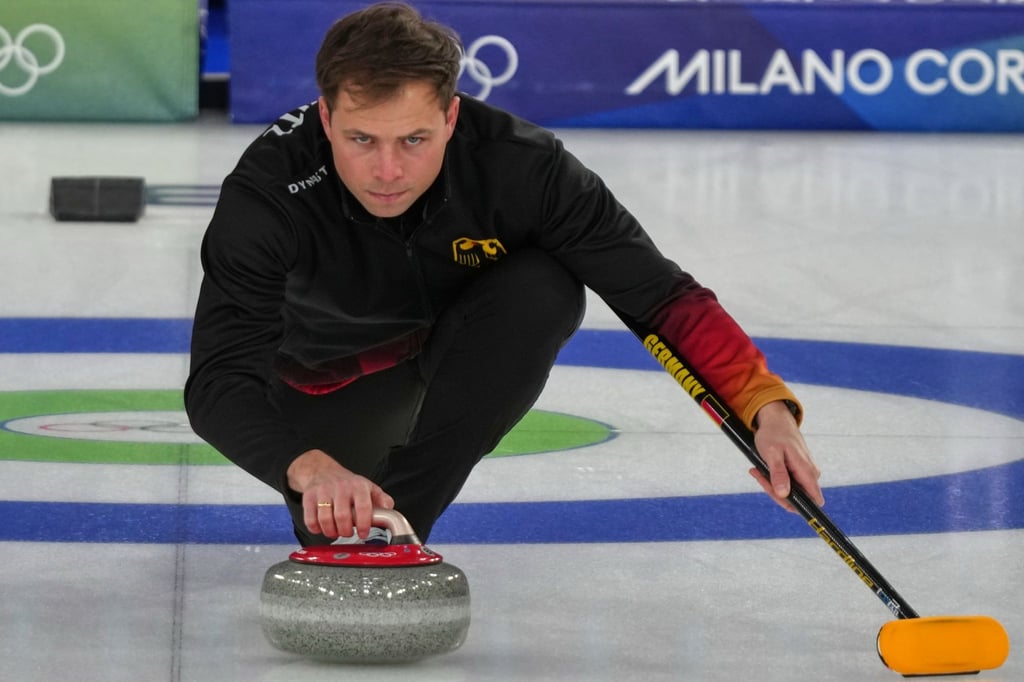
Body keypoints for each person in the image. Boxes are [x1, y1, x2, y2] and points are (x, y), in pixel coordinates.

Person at [185, 2, 823, 547]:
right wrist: (306, 465)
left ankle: (400, 527)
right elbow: (219, 380)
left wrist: (764, 407)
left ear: (451, 117)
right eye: (361, 140)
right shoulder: (269, 194)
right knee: (329, 521)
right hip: (328, 387)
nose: (388, 172)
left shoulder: (522, 167)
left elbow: (659, 297)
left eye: (414, 140)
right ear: (326, 120)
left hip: (463, 357)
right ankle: (357, 505)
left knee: (546, 285)